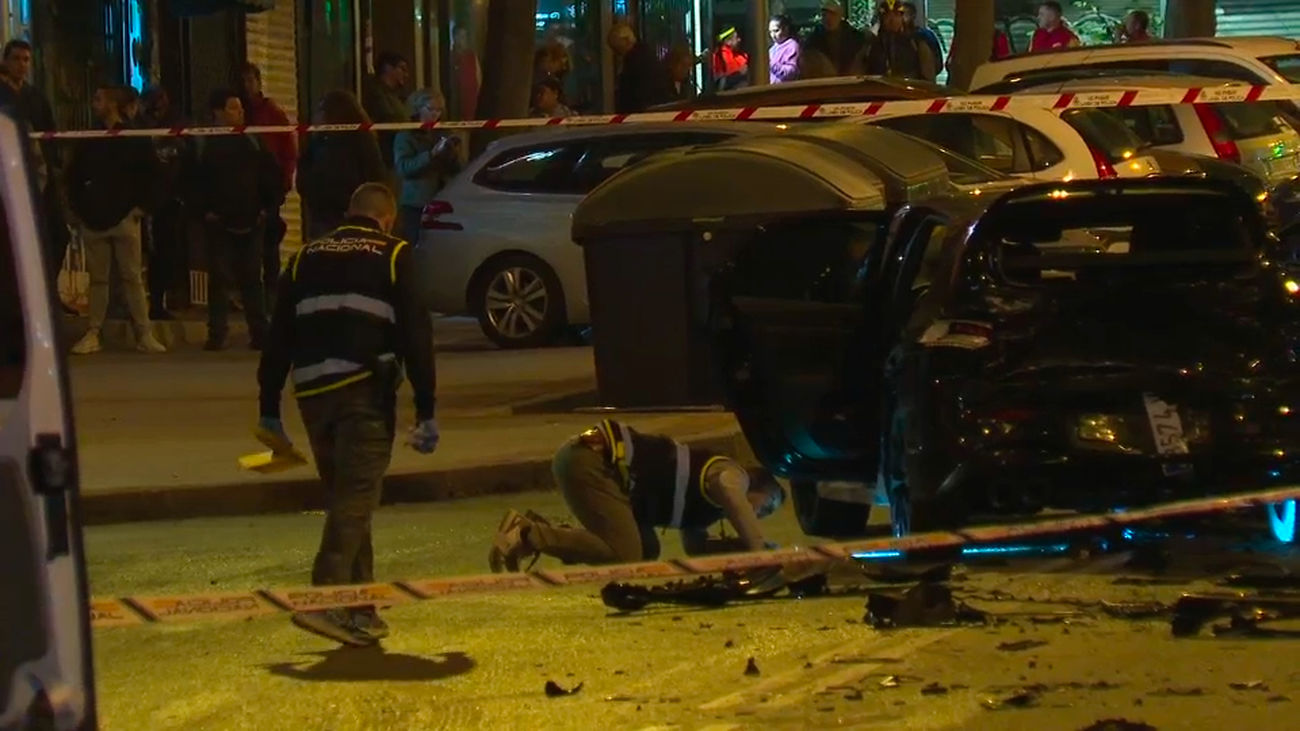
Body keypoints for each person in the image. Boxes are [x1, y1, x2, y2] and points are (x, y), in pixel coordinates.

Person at [257, 182, 439, 646]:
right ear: (388, 218)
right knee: (355, 501)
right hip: (362, 392)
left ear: (348, 213)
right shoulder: (394, 254)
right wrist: (426, 407)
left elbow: (278, 334)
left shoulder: (304, 256)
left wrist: (269, 409)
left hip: (313, 393)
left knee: (348, 501)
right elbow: (417, 332)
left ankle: (360, 608)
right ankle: (325, 600)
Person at [488, 420, 786, 571]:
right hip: (594, 460)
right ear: (758, 485)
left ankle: (537, 529)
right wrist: (757, 546)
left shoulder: (706, 509)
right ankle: (528, 534)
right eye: (768, 505)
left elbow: (696, 548)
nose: (762, 514)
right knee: (625, 553)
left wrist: (745, 551)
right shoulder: (734, 474)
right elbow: (727, 487)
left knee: (645, 552)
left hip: (596, 463)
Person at [66, 85, 165, 355]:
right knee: (98, 279)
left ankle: (144, 333)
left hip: (125, 218)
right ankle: (94, 331)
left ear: (112, 103)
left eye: (99, 98)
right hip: (94, 219)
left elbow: (153, 174)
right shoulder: (89, 137)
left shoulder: (133, 137)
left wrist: (142, 208)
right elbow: (72, 175)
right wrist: (78, 209)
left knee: (132, 277)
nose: (94, 103)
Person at [186, 89, 281, 351]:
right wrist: (203, 211)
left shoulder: (252, 140)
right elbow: (192, 182)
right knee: (219, 278)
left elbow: (272, 175)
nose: (239, 113)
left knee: (252, 277)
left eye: (240, 109)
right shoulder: (204, 143)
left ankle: (259, 333)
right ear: (217, 112)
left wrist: (268, 208)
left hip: (252, 220)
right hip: (218, 222)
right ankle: (217, 334)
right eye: (232, 108)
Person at [0, 40, 70, 309]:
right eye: (17, 59)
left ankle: (45, 291)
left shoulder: (34, 97)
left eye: (26, 60)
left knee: (56, 235)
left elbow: (48, 132)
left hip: (39, 176)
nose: (22, 65)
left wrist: (54, 166)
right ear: (6, 61)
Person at [240, 63, 298, 309]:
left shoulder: (271, 113)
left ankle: (271, 293)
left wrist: (284, 181)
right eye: (243, 81)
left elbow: (287, 149)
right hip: (243, 188)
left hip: (268, 187)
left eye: (250, 81)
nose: (247, 86)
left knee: (269, 243)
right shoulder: (239, 112)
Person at [298, 90, 387, 239]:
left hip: (352, 216)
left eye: (321, 111)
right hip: (323, 216)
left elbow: (373, 176)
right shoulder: (317, 141)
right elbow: (305, 172)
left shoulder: (360, 141)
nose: (315, 117)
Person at [140, 87, 189, 320]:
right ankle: (155, 301)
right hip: (150, 201)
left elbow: (186, 159)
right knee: (154, 252)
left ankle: (171, 297)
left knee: (170, 250)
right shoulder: (142, 128)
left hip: (173, 199)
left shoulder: (177, 127)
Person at [393, 89, 461, 245]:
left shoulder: (440, 132)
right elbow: (403, 167)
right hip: (415, 203)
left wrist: (452, 152)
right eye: (431, 109)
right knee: (416, 244)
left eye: (439, 110)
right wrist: (430, 155)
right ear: (418, 109)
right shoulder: (406, 135)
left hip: (440, 201)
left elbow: (456, 169)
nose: (435, 115)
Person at [861, 0, 936, 80]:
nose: (892, 19)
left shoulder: (916, 41)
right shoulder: (871, 44)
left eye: (896, 15)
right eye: (887, 15)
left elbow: (928, 76)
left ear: (902, 17)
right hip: (880, 89)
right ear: (881, 18)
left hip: (909, 89)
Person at [361, 51, 410, 170]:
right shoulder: (376, 94)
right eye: (402, 69)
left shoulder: (395, 95)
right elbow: (388, 119)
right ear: (388, 68)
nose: (406, 74)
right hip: (385, 155)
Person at [804, 0, 869, 77]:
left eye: (832, 14)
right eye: (825, 15)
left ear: (840, 16)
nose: (828, 18)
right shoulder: (814, 40)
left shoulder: (856, 37)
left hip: (850, 82)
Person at [608, 22, 661, 114]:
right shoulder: (646, 53)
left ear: (625, 40)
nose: (616, 53)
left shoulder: (634, 60)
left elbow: (633, 92)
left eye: (616, 47)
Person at [451, 26, 481, 121]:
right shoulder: (451, 56)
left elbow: (478, 76)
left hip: (471, 97)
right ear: (454, 37)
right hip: (456, 97)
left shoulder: (471, 56)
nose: (461, 39)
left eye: (464, 36)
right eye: (459, 36)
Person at [711, 26, 749, 92]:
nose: (739, 40)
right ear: (728, 41)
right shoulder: (718, 57)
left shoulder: (741, 56)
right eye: (736, 37)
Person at [769, 15, 801, 84]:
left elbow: (790, 72)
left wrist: (770, 64)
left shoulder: (792, 46)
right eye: (770, 32)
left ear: (786, 29)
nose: (773, 35)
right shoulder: (772, 49)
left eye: (776, 31)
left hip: (785, 90)